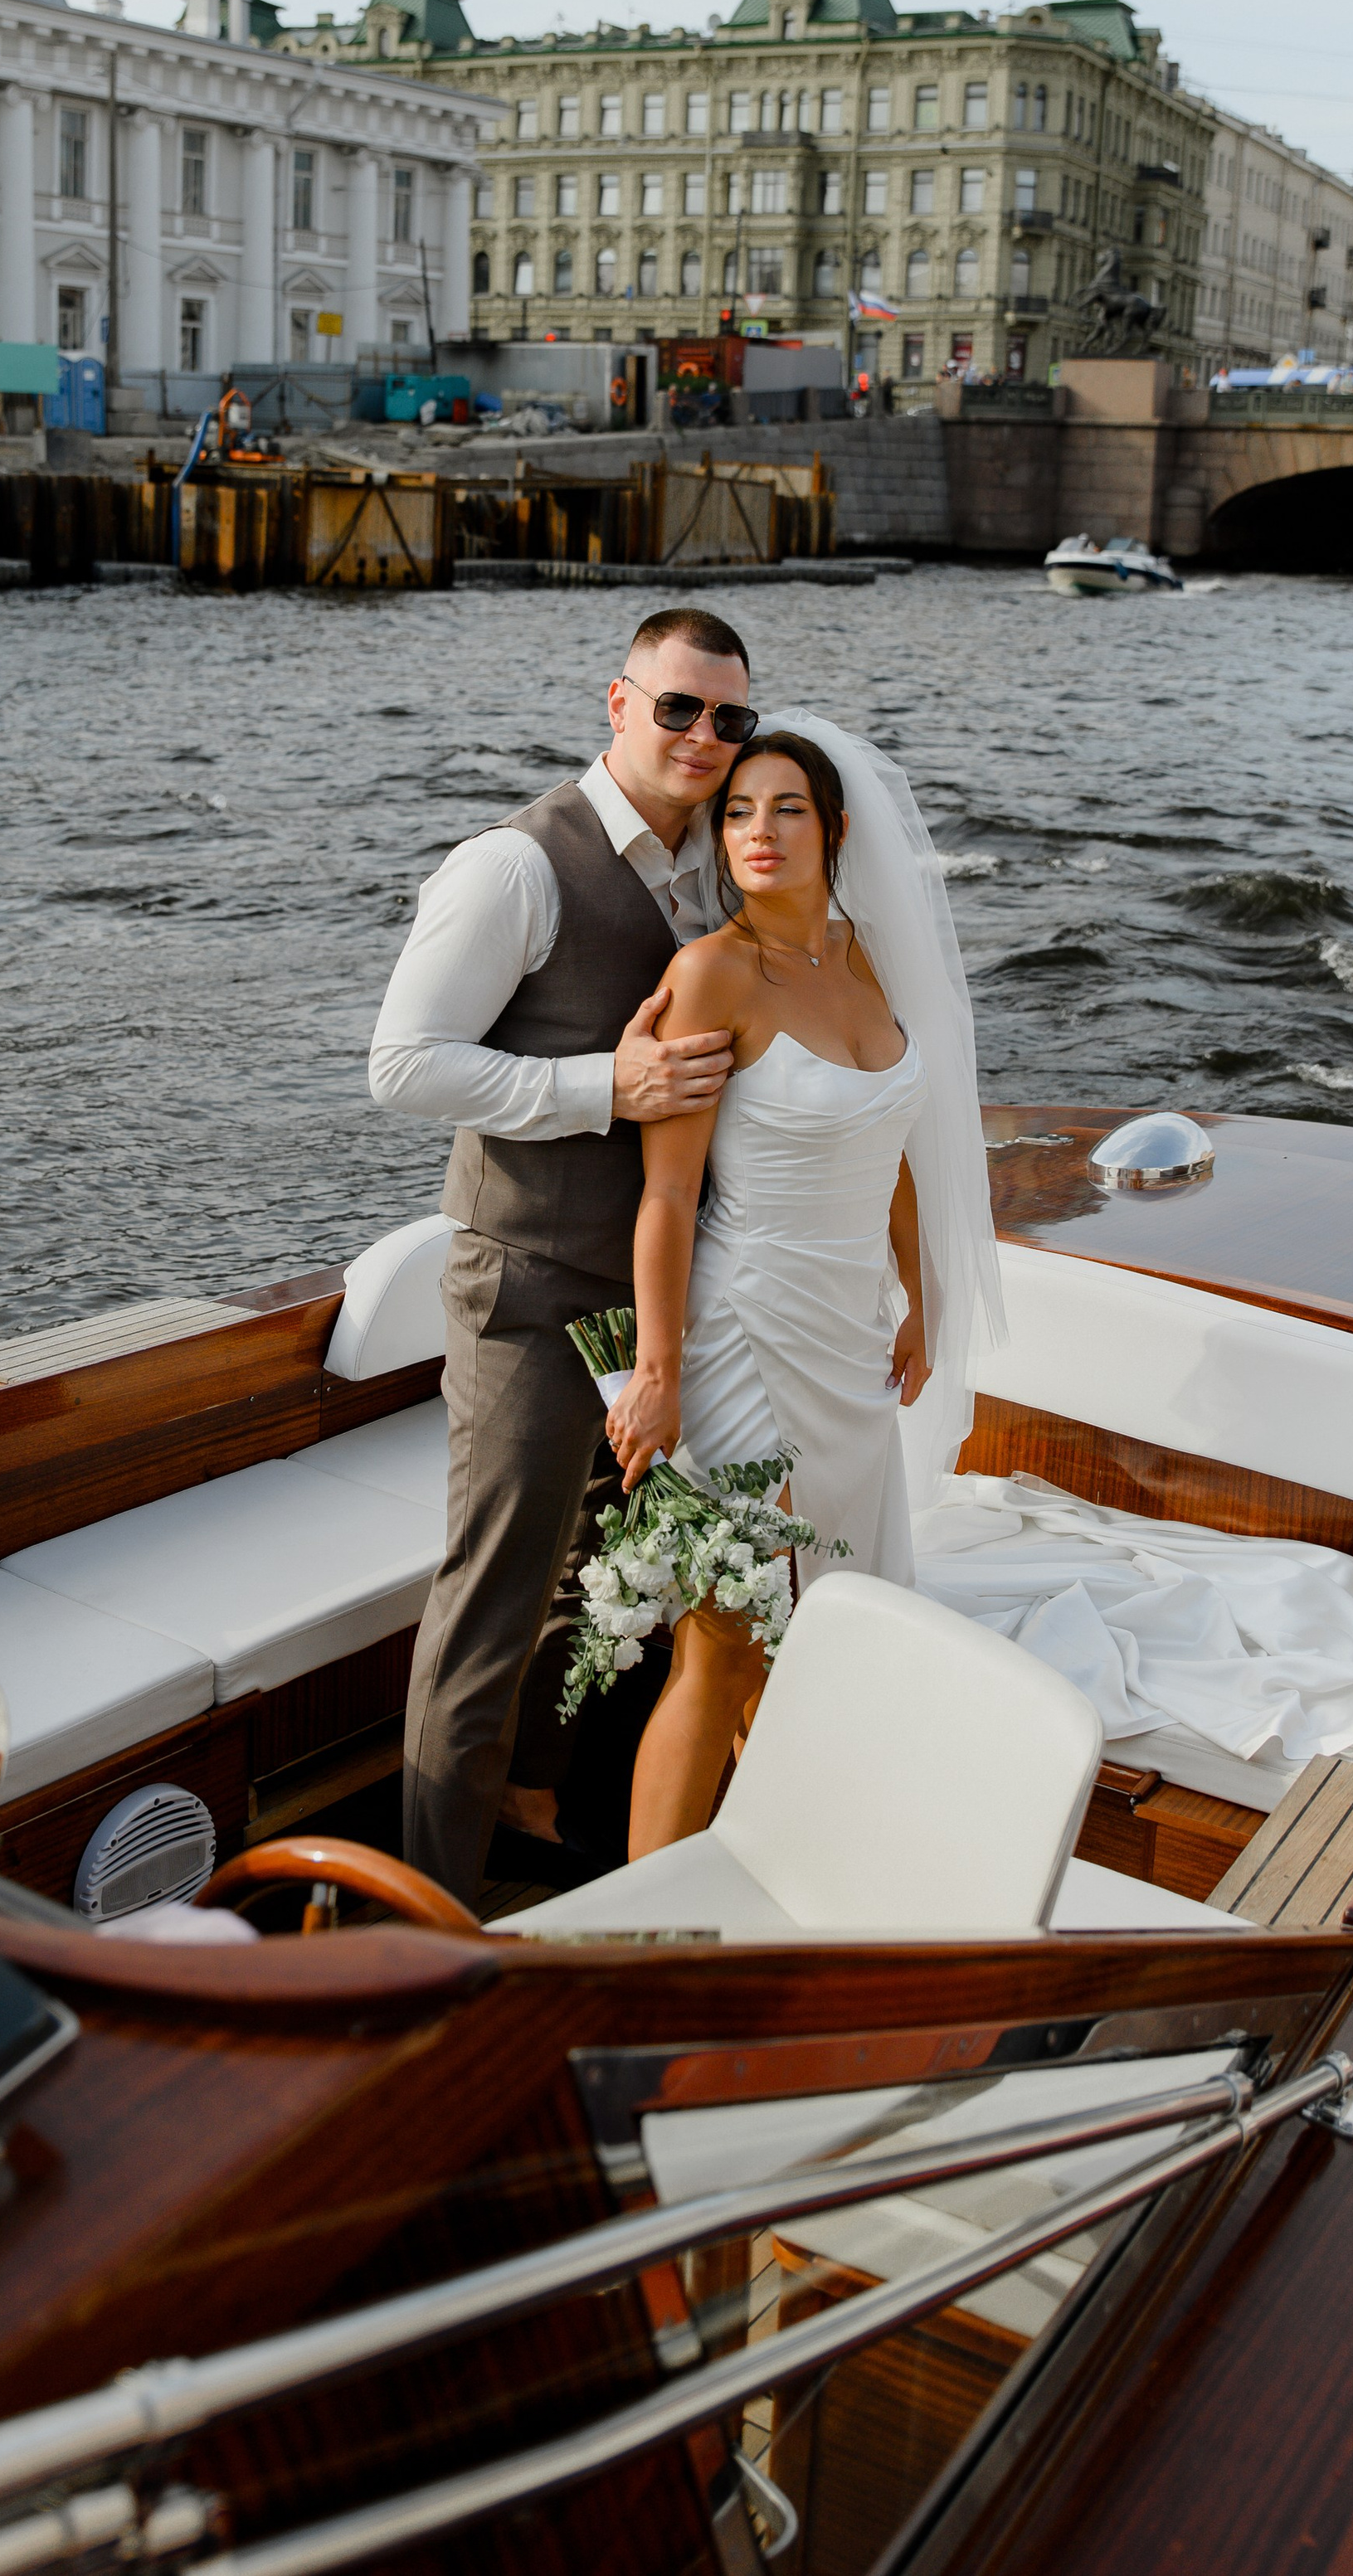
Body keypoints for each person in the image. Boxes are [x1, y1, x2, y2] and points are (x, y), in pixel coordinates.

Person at [369, 607, 753, 1905]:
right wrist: (610, 1086)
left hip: (658, 1301)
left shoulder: (721, 861)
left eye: (730, 720)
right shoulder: (515, 868)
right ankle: (434, 1913)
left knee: (599, 1595)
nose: (705, 739)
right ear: (619, 702)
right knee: (489, 1610)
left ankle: (542, 1833)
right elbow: (404, 1066)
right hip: (529, 1289)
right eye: (679, 710)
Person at [603, 717, 1006, 1857]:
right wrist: (658, 1373)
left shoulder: (868, 959)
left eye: (785, 809)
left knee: (816, 1623)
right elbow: (669, 1199)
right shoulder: (709, 975)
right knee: (724, 1631)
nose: (759, 832)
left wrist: (921, 1299)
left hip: (850, 1338)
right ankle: (644, 1936)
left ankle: (782, 1865)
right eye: (736, 811)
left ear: (835, 829)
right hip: (743, 1331)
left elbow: (895, 1153)